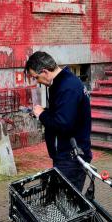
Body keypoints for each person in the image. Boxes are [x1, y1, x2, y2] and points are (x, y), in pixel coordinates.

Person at [26, 51, 92, 191]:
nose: (37, 81)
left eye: (36, 77)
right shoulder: (62, 83)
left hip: (72, 156)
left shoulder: (67, 87)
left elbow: (63, 124)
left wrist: (42, 115)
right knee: (66, 201)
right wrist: (43, 111)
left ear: (44, 71)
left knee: (67, 203)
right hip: (68, 154)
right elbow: (64, 114)